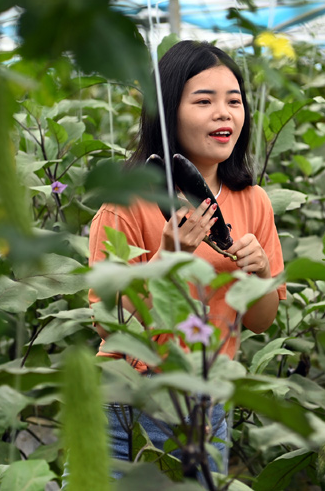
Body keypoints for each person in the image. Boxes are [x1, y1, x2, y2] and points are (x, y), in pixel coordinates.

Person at [87, 40, 287, 479]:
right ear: (167, 113)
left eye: (234, 102)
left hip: (207, 404)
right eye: (204, 101)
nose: (224, 113)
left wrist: (261, 275)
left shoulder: (253, 202)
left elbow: (259, 321)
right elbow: (108, 324)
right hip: (128, 405)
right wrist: (166, 259)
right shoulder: (126, 203)